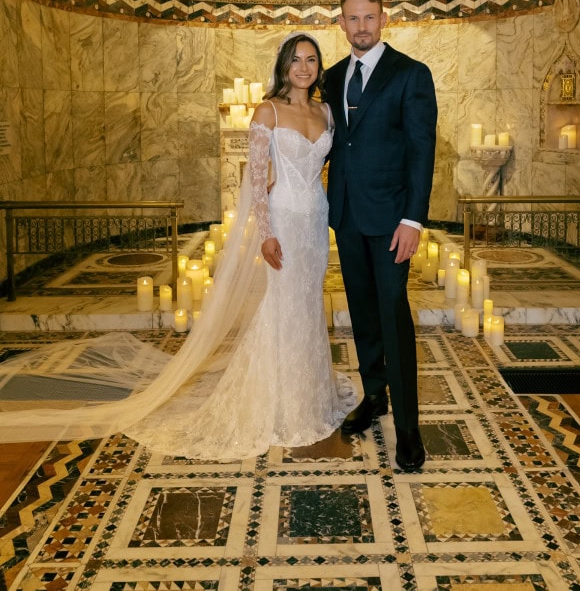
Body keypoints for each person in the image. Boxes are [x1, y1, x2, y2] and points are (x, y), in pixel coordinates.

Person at [0, 33, 355, 460]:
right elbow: (256, 179)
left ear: (319, 67)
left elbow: (328, 165)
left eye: (311, 60)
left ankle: (312, 394)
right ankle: (281, 402)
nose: (304, 67)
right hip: (281, 221)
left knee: (307, 304)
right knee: (283, 306)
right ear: (283, 66)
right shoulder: (267, 111)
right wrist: (265, 233)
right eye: (296, 59)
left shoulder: (326, 112)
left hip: (315, 219)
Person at [324, 0, 437, 472]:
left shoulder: (411, 74)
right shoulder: (329, 78)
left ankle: (409, 429)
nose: (361, 27)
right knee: (363, 314)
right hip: (347, 216)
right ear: (342, 22)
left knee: (393, 316)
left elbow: (421, 152)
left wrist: (413, 219)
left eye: (369, 17)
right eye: (353, 18)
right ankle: (374, 397)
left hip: (393, 221)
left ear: (384, 19)